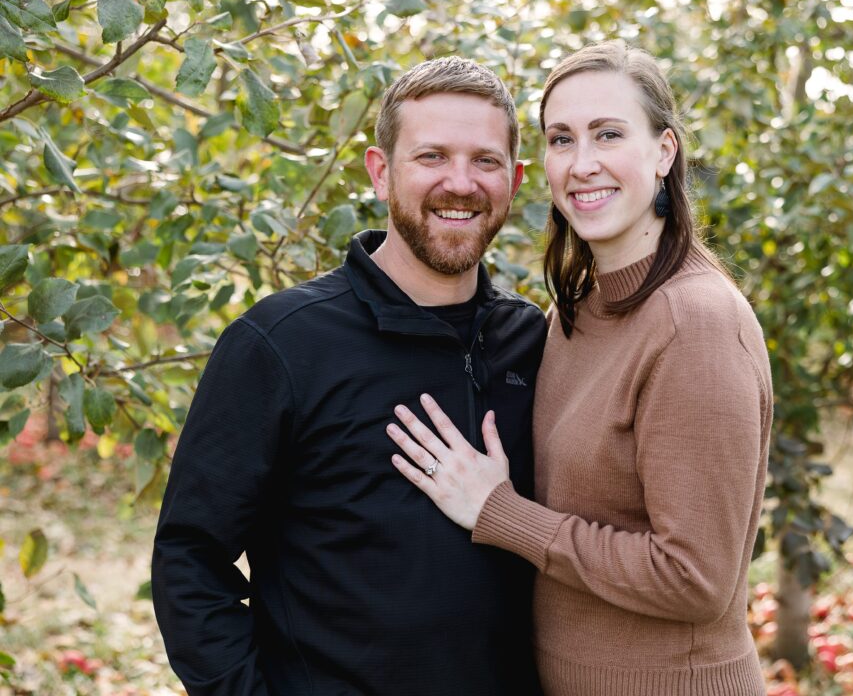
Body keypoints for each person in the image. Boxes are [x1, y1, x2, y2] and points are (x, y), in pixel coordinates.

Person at [387, 41, 773, 695]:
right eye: (561, 139)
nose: (582, 163)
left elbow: (695, 578)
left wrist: (498, 511)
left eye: (608, 134)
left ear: (664, 151)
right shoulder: (576, 311)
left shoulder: (695, 324)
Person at [151, 56, 546, 696]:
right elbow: (189, 563)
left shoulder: (532, 341)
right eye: (432, 157)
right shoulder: (280, 343)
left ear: (516, 179)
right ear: (380, 171)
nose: (461, 182)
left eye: (485, 161)